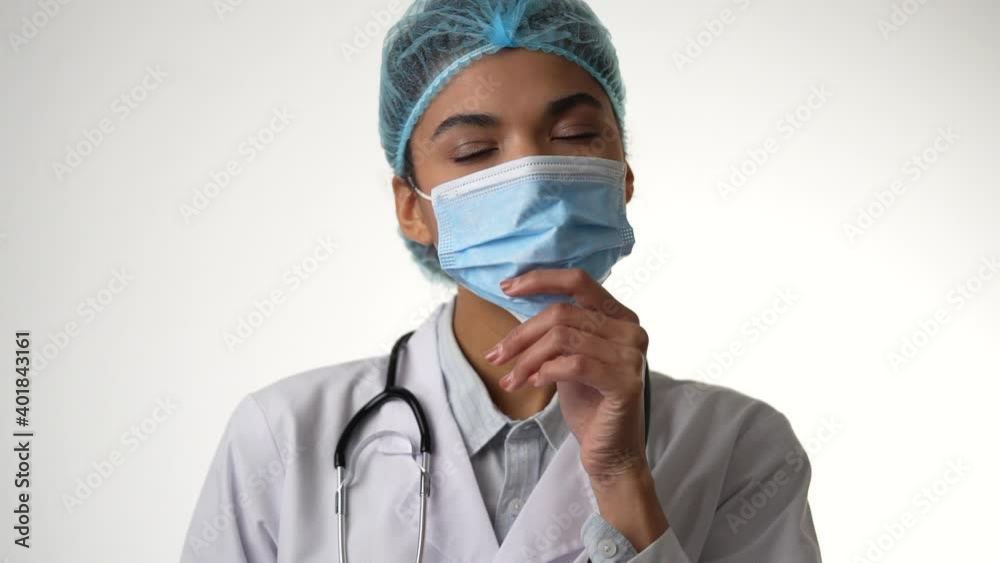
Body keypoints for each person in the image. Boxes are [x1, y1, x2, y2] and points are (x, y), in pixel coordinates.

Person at [180, 0, 823, 561]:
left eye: (572, 135)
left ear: (623, 177)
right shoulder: (285, 436)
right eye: (475, 152)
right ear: (413, 208)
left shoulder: (742, 446)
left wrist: (624, 477)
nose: (533, 177)